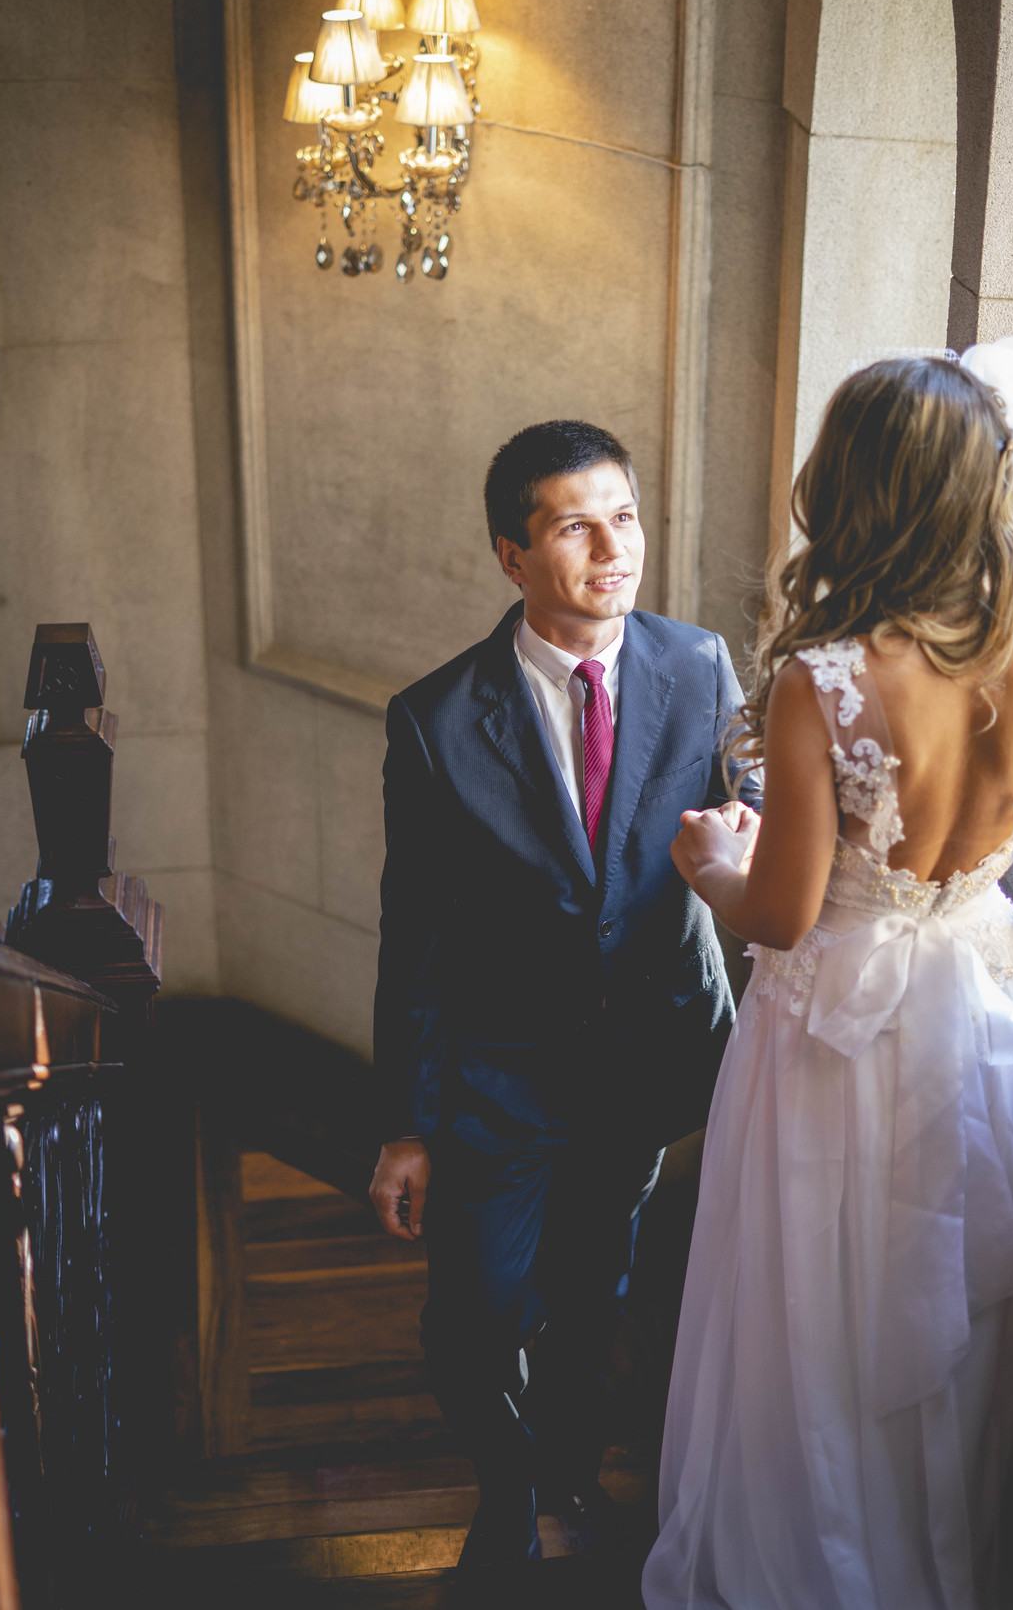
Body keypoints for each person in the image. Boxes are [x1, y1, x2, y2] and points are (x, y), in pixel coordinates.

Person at [642, 341, 1013, 1610]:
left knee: (826, 1324)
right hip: (990, 1019)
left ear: (854, 489)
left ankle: (832, 1565)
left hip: (830, 1045)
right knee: (964, 1330)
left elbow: (787, 915)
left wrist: (709, 862)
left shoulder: (828, 680)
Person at [368, 419, 760, 1567]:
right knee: (473, 1315)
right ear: (511, 553)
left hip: (643, 1064)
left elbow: (758, 825)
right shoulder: (435, 721)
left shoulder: (700, 665)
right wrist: (403, 1118)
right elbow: (417, 934)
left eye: (624, 516)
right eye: (575, 525)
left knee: (596, 1296)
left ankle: (566, 1478)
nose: (612, 547)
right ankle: (503, 1473)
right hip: (500, 1076)